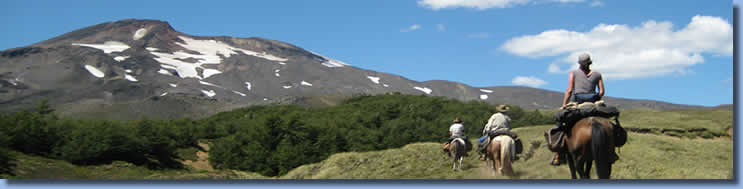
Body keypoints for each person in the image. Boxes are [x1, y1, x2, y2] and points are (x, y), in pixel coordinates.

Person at [549, 53, 611, 166]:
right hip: (592, 102)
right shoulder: (597, 74)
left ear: (579, 64)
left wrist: (563, 105)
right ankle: (611, 151)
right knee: (607, 124)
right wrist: (594, 97)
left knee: (561, 122)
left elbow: (569, 90)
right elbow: (601, 92)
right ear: (589, 63)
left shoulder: (573, 73)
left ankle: (558, 153)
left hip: (577, 102)